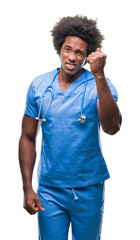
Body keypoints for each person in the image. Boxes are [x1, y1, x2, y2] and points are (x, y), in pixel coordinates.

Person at [19, 15, 122, 240]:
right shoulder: (39, 86)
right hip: (50, 189)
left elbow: (112, 127)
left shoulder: (100, 84)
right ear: (59, 48)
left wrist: (99, 75)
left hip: (88, 187)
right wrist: (28, 188)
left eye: (80, 53)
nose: (72, 57)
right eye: (68, 49)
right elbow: (27, 137)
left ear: (87, 57)